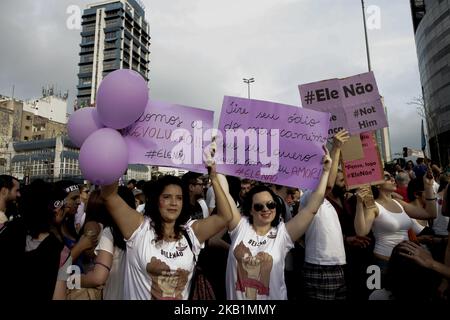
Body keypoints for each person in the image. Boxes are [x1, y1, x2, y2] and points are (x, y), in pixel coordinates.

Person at [100, 163, 232, 300]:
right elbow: (109, 196)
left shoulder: (191, 233)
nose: (174, 203)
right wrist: (116, 162)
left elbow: (225, 216)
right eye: (167, 197)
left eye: (179, 198)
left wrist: (214, 178)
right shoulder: (138, 228)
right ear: (157, 200)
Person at [223, 146, 332, 300]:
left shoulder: (283, 233)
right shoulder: (239, 226)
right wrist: (216, 170)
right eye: (259, 206)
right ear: (250, 210)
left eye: (271, 204)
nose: (266, 209)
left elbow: (312, 208)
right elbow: (224, 192)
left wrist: (326, 171)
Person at [355, 171, 437, 275]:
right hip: (385, 262)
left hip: (406, 260)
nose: (393, 179)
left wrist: (428, 186)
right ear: (377, 184)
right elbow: (361, 232)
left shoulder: (399, 202)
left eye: (392, 176)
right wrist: (359, 203)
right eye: (387, 177)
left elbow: (430, 213)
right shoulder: (374, 206)